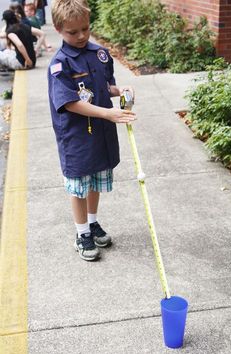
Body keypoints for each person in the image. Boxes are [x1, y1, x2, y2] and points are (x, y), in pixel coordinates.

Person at [48, 0, 136, 261]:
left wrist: (120, 91)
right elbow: (70, 103)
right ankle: (81, 233)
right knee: (78, 186)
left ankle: (93, 222)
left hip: (100, 133)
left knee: (96, 178)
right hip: (76, 138)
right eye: (72, 32)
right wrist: (108, 113)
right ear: (58, 29)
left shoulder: (100, 54)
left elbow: (105, 86)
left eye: (85, 29)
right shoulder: (60, 64)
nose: (81, 36)